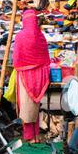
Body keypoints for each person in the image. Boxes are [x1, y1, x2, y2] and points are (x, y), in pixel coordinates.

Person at [12, 7, 52, 142]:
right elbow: (46, 59)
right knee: (34, 106)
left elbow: (16, 58)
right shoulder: (41, 36)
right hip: (39, 76)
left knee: (25, 105)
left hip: (24, 75)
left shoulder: (20, 36)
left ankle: (29, 136)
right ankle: (35, 135)